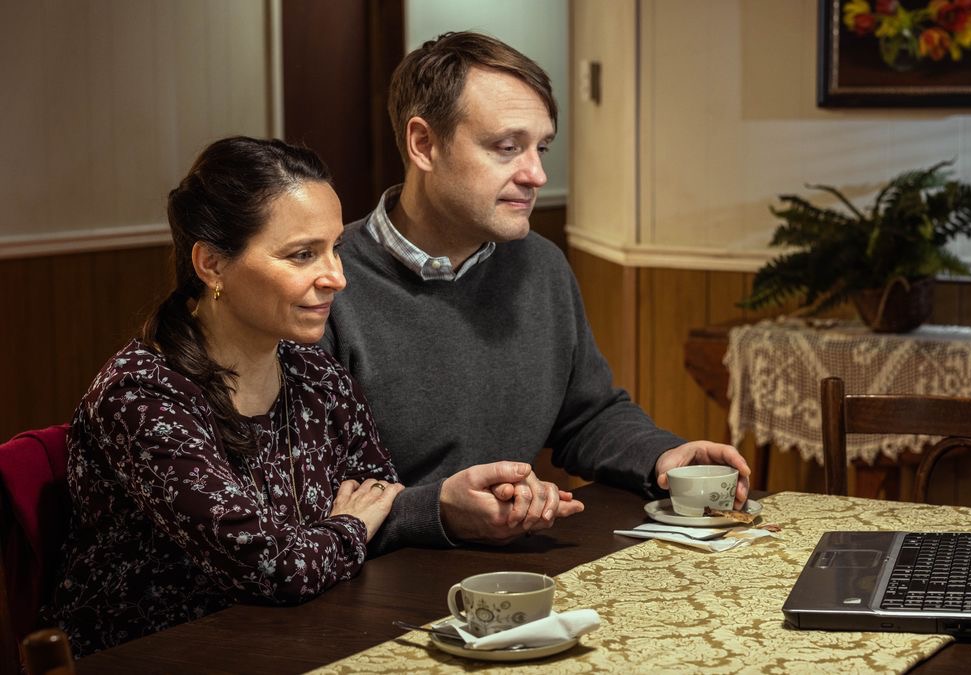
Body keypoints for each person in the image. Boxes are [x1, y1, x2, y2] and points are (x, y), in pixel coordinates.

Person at [321, 32, 750, 549]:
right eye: (507, 148)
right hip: (363, 585)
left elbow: (586, 415)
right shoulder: (327, 285)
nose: (537, 174)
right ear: (423, 144)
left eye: (541, 147)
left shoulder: (541, 267)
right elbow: (302, 495)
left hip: (513, 578)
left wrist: (663, 457)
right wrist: (435, 510)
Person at [45, 137, 403, 656]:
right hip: (157, 655)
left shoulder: (312, 370)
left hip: (292, 639)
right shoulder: (143, 396)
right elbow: (275, 568)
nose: (337, 279)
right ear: (211, 264)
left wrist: (332, 534)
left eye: (335, 250)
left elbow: (380, 491)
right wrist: (347, 526)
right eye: (303, 255)